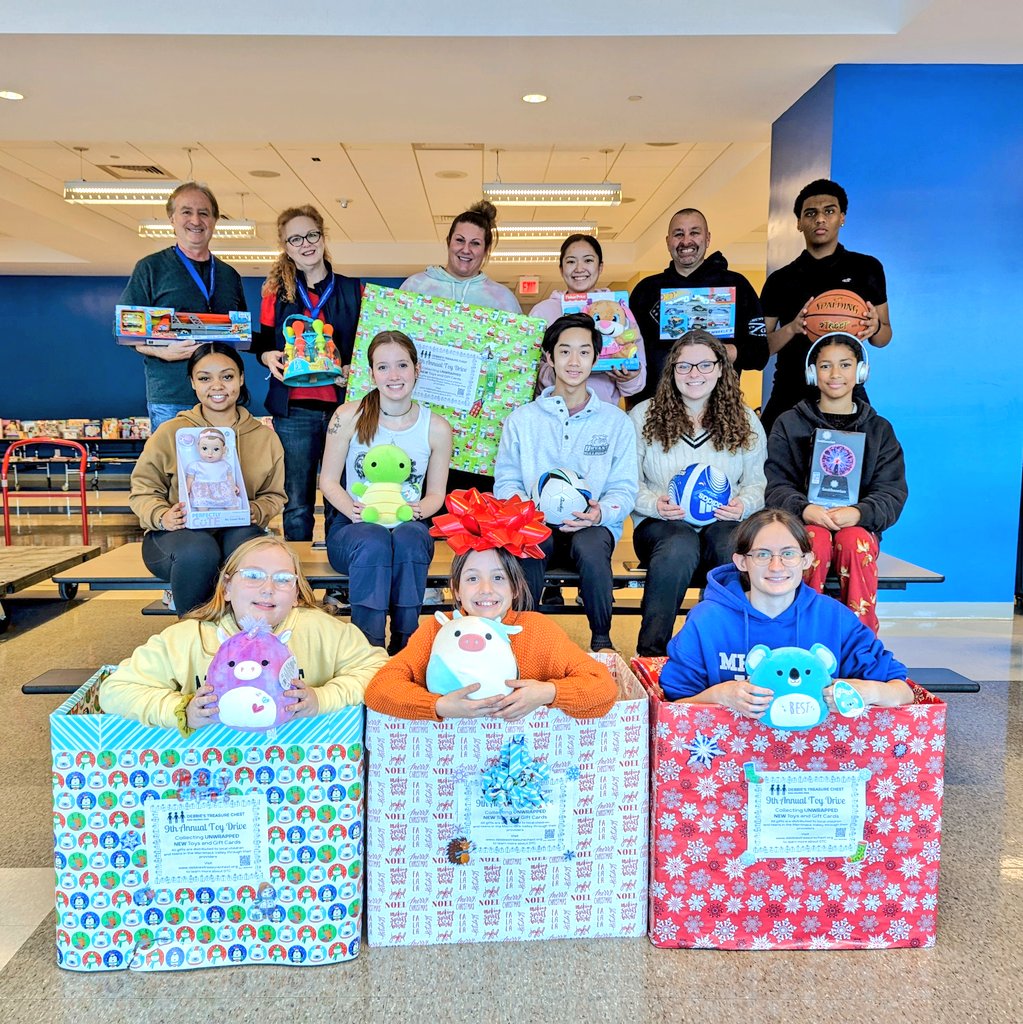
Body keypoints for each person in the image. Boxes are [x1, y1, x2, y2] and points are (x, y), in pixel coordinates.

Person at [99, 536, 387, 734]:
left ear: (297, 594)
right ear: (226, 587)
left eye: (284, 580)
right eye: (252, 575)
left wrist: (323, 698)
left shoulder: (323, 631)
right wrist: (183, 710)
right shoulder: (187, 639)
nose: (268, 588)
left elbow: (378, 670)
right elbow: (115, 691)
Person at [364, 506, 618, 721]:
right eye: (472, 578)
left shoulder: (538, 630)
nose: (486, 589)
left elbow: (603, 689)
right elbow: (380, 689)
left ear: (515, 587)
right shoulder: (437, 630)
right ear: (457, 590)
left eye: (498, 577)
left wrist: (548, 692)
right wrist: (438, 706)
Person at [658, 508, 912, 713]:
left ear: (807, 560)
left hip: (816, 761)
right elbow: (671, 708)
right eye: (762, 555)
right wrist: (720, 695)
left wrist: (868, 692)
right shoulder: (708, 620)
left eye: (789, 554)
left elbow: (903, 691)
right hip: (727, 761)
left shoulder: (834, 617)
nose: (776, 566)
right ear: (742, 562)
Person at [494, 313, 637, 653]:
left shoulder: (615, 422)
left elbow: (625, 486)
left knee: (591, 548)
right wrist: (526, 511)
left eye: (584, 352)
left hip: (591, 524)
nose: (574, 362)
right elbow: (506, 480)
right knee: (530, 547)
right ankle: (521, 640)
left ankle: (601, 639)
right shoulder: (522, 420)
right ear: (549, 357)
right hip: (535, 522)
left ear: (595, 357)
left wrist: (600, 512)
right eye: (565, 351)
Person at [630, 329, 766, 657]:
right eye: (684, 366)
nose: (694, 374)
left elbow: (757, 485)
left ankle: (724, 651)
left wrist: (741, 505)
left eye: (705, 365)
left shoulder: (744, 419)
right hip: (660, 525)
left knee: (729, 545)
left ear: (721, 368)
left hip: (722, 522)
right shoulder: (643, 416)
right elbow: (626, 485)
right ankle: (652, 652)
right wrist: (655, 504)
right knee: (679, 543)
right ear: (671, 370)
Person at [319, 331, 453, 653]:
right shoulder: (348, 416)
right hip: (352, 529)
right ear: (371, 373)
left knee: (410, 538)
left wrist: (418, 510)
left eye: (402, 365)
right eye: (383, 367)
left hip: (407, 523)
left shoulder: (436, 427)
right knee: (373, 540)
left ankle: (407, 644)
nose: (394, 376)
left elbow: (436, 494)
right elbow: (328, 481)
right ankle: (369, 649)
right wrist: (351, 508)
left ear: (417, 369)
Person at [129, 342, 285, 617]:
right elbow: (142, 490)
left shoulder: (265, 438)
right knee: (200, 552)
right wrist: (162, 515)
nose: (217, 386)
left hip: (235, 529)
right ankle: (194, 639)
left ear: (241, 379)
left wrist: (256, 510)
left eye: (227, 376)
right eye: (205, 378)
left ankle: (249, 643)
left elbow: (275, 495)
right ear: (192, 383)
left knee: (248, 549)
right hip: (175, 537)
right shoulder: (171, 432)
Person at [765, 332, 907, 634]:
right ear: (812, 372)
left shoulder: (880, 430)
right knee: (813, 540)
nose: (835, 374)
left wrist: (858, 513)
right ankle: (799, 636)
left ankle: (861, 645)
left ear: (860, 371)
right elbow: (775, 487)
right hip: (803, 525)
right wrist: (804, 510)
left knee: (853, 541)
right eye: (826, 366)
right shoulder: (789, 423)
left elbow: (891, 493)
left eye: (845, 365)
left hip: (856, 527)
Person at [252, 205, 362, 542]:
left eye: (311, 235)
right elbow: (264, 344)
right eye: (295, 239)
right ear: (285, 246)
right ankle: (296, 586)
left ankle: (338, 584)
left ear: (322, 236)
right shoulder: (275, 294)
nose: (305, 244)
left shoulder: (352, 289)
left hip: (341, 410)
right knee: (297, 501)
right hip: (295, 409)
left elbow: (365, 345)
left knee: (340, 499)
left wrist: (352, 366)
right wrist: (266, 355)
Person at [760, 178, 892, 432]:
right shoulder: (780, 280)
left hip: (845, 394)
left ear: (841, 217)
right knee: (773, 469)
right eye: (810, 214)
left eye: (829, 211)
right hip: (789, 393)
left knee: (851, 468)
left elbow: (883, 337)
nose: (820, 219)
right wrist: (792, 328)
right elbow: (759, 349)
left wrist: (875, 327)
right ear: (799, 223)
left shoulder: (867, 269)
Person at [120, 182, 247, 432]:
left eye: (204, 212)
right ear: (172, 219)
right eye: (186, 212)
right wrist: (162, 352)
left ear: (214, 220)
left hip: (222, 396)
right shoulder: (150, 268)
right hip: (172, 395)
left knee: (223, 468)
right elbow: (127, 330)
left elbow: (240, 332)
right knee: (174, 469)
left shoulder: (228, 274)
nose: (195, 220)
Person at [628, 208, 768, 406]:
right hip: (657, 408)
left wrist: (726, 352)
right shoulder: (646, 290)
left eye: (694, 232)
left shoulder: (736, 285)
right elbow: (630, 349)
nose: (686, 241)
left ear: (708, 238)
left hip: (718, 409)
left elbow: (760, 354)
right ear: (668, 241)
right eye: (679, 234)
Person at [530, 233, 647, 405]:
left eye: (588, 260)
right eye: (570, 261)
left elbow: (638, 382)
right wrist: (556, 373)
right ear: (561, 268)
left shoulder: (619, 311)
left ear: (600, 267)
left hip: (602, 416)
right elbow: (528, 372)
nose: (579, 268)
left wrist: (629, 376)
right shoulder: (543, 312)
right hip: (552, 418)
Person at [400, 200, 521, 312]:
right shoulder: (415, 286)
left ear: (486, 249)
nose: (466, 250)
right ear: (449, 241)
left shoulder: (503, 299)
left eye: (475, 243)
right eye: (460, 240)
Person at [184, 427, 239, 510]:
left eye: (216, 449)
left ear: (223, 450)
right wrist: (187, 488)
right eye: (205, 448)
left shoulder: (225, 465)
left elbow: (229, 477)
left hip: (222, 489)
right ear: (198, 448)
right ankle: (204, 515)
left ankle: (232, 516)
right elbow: (190, 478)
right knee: (202, 505)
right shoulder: (195, 465)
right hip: (203, 490)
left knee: (231, 504)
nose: (210, 453)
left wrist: (233, 486)